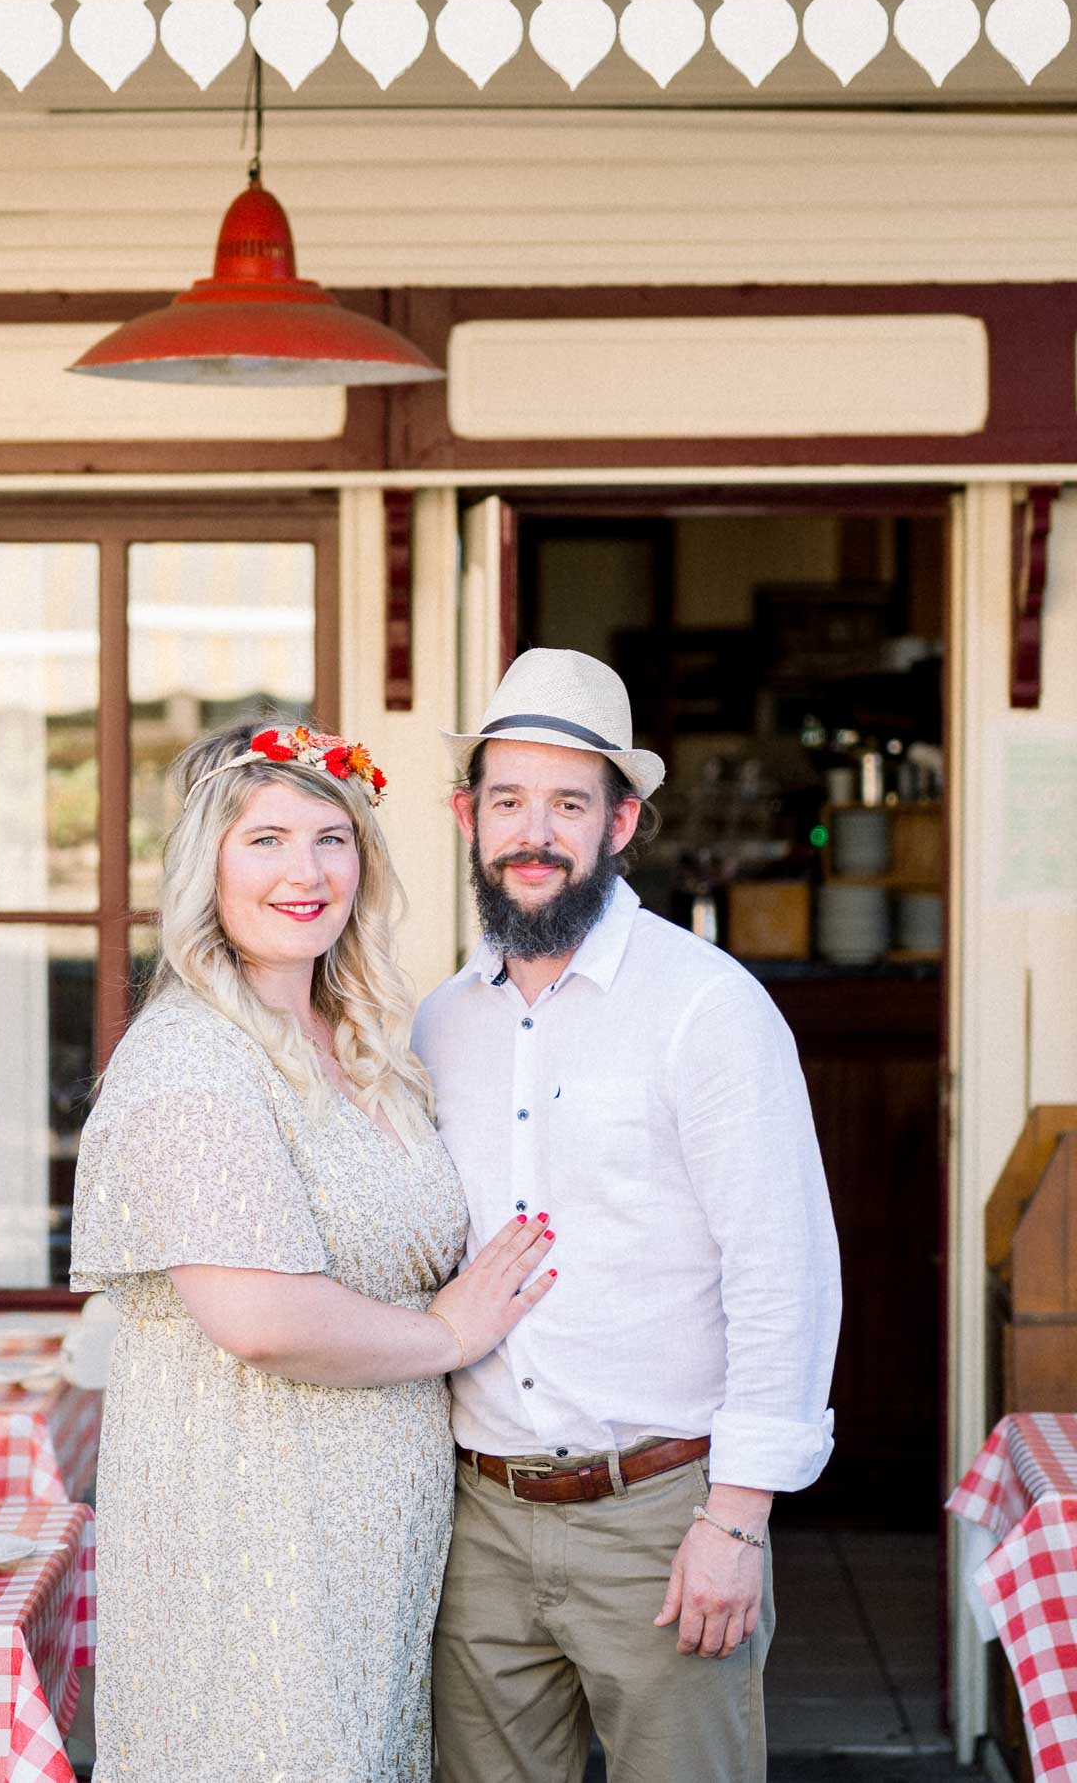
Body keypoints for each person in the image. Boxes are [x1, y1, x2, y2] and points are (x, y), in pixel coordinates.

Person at [68, 720, 558, 1782]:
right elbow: (261, 1319)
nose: (307, 870)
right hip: (252, 1534)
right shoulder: (192, 1061)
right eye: (266, 840)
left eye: (332, 838)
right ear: (208, 867)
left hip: (370, 1545)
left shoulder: (365, 1041)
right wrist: (447, 1330)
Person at [413, 648, 841, 1783]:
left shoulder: (706, 1007)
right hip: (479, 1522)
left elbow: (782, 1274)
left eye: (568, 802)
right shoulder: (436, 1025)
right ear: (467, 815)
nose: (533, 832)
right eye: (507, 800)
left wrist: (735, 1520)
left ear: (621, 822)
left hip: (661, 1515)